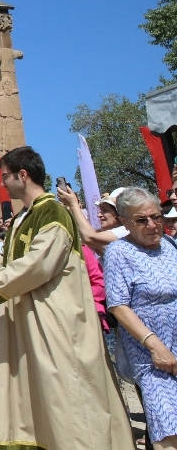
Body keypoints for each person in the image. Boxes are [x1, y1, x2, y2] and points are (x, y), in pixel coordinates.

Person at [0, 145, 132, 449]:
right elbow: (15, 260)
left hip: (56, 321)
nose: (3, 184)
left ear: (22, 175)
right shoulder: (24, 218)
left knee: (66, 398)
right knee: (38, 400)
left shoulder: (52, 211)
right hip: (30, 319)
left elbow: (39, 263)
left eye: (6, 177)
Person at [103, 187, 177, 448]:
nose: (152, 225)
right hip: (152, 357)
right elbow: (119, 306)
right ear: (124, 222)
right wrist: (156, 347)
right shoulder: (118, 253)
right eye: (141, 220)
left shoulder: (170, 245)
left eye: (156, 217)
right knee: (168, 429)